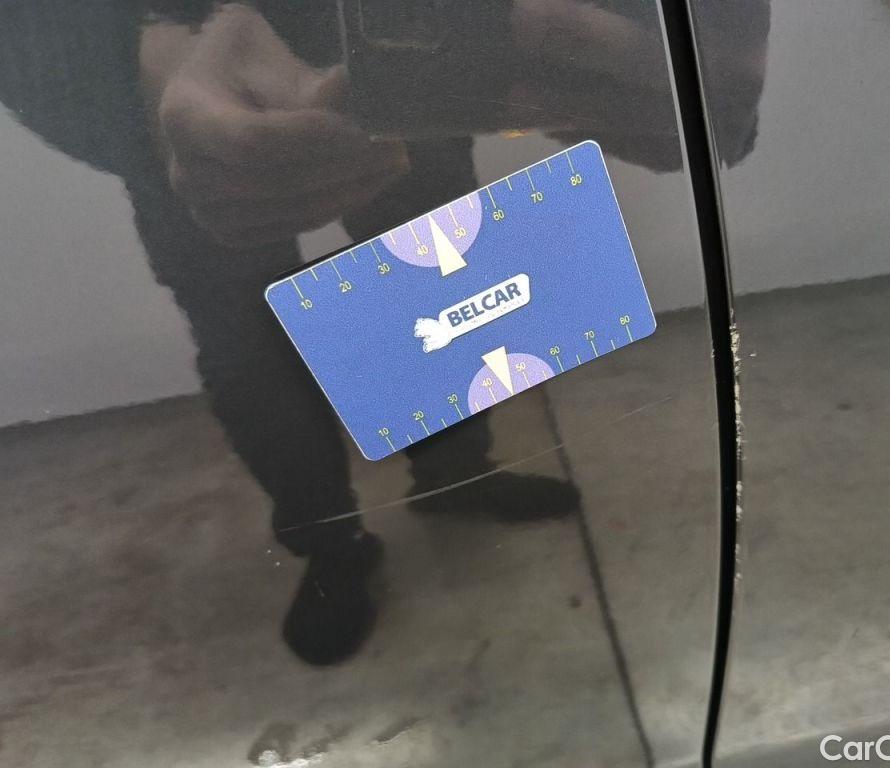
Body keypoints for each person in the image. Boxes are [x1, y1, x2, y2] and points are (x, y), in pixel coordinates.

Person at [1, 0, 765, 665]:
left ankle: (452, 477)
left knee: (429, 289)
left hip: (394, 57)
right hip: (204, 69)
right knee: (248, 350)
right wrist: (136, 71)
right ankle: (331, 544)